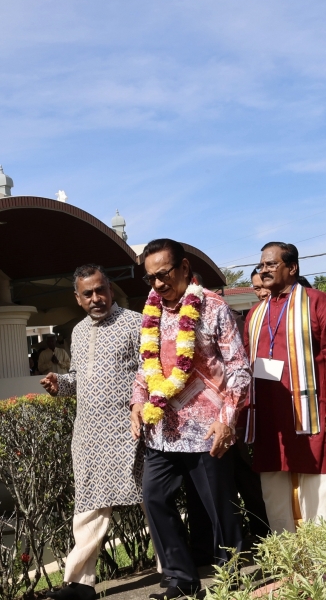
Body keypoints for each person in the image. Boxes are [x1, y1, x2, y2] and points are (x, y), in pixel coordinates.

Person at [130, 239, 250, 600]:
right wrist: (137, 403)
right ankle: (181, 579)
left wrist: (227, 419)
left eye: (164, 274)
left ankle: (232, 576)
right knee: (153, 497)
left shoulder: (213, 308)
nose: (158, 284)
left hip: (206, 428)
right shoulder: (151, 314)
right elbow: (144, 370)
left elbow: (239, 369)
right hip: (162, 430)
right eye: (150, 278)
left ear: (183, 268)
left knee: (217, 506)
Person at [41, 265, 144, 600]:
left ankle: (174, 570)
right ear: (78, 298)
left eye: (101, 290)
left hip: (131, 430)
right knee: (88, 506)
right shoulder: (80, 331)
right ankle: (78, 584)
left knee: (153, 502)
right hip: (88, 435)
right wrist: (61, 384)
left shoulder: (135, 322)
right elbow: (80, 379)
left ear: (110, 289)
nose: (96, 298)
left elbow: (152, 371)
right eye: (88, 294)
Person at [245, 242, 326, 532]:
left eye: (271, 264)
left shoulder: (317, 302)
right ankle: (288, 559)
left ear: (292, 268)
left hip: (312, 414)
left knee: (320, 493)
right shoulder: (255, 313)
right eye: (261, 266)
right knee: (274, 492)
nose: (264, 270)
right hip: (270, 421)